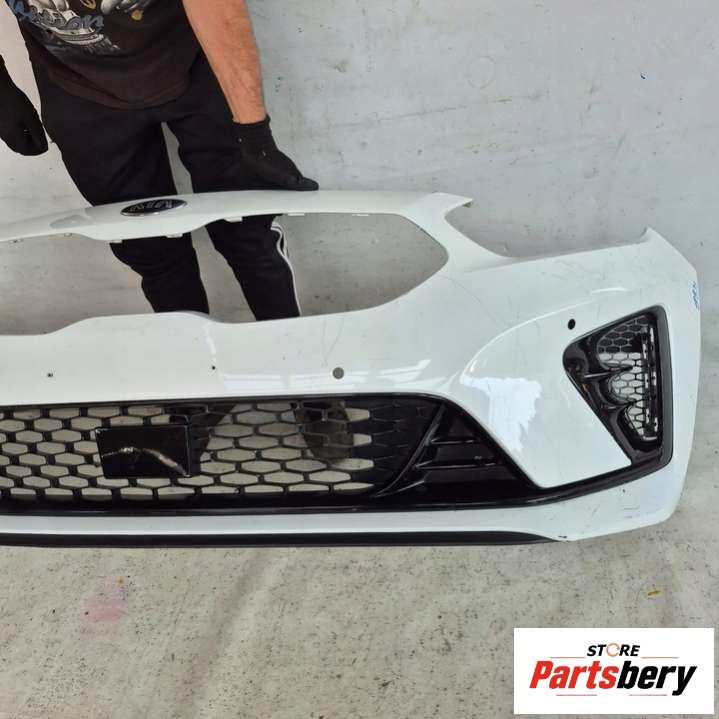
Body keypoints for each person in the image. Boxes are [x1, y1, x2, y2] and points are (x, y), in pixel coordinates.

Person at [0, 0, 318, 320]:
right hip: (76, 85)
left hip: (193, 55)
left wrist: (253, 131)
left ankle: (286, 342)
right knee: (148, 244)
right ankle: (191, 349)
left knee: (247, 229)